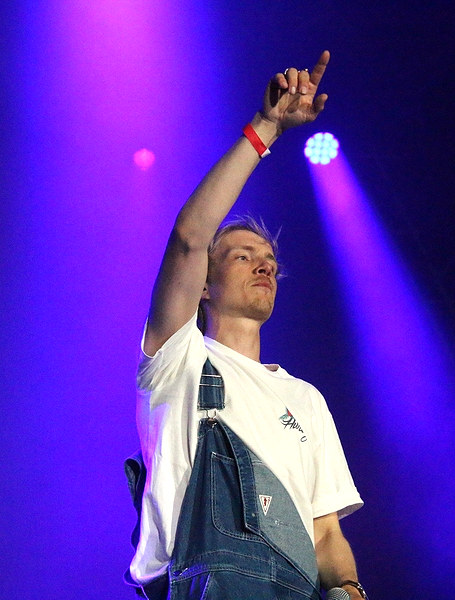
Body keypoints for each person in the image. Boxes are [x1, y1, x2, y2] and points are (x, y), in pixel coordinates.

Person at [127, 50, 366, 600]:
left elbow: (326, 533)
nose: (265, 266)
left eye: (270, 261)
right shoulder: (177, 361)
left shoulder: (305, 400)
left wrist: (351, 589)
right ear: (204, 286)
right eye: (242, 256)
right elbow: (190, 237)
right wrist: (266, 128)